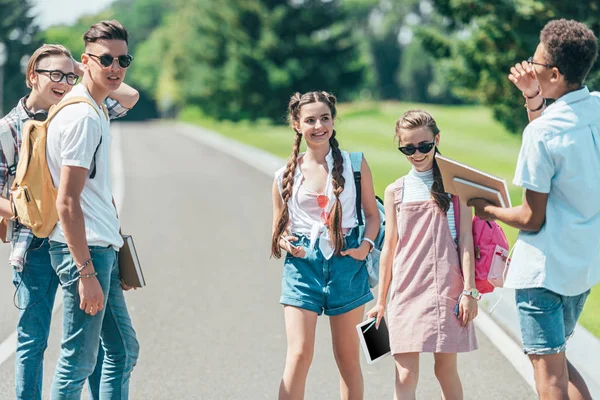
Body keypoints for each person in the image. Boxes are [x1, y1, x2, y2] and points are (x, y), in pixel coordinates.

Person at [0, 42, 138, 400]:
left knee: (91, 344)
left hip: (77, 237)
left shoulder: (78, 109)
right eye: (54, 75)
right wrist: (28, 209)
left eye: (68, 75)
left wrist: (87, 67)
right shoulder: (9, 129)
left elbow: (130, 96)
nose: (63, 81)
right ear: (33, 77)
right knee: (34, 337)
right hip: (32, 245)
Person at [470, 19, 599, 400]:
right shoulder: (595, 109)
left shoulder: (540, 134)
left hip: (542, 273)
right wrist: (533, 98)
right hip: (582, 267)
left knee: (550, 377)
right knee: (557, 365)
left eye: (536, 63)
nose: (529, 66)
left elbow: (531, 217)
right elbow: (558, 130)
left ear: (555, 74)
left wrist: (488, 209)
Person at [45, 20, 139, 399]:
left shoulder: (94, 107)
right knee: (78, 361)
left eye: (123, 59)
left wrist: (116, 254)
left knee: (122, 350)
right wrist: (85, 271)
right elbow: (67, 200)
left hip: (102, 247)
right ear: (85, 61)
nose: (116, 67)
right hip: (85, 253)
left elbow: (94, 195)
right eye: (105, 59)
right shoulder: (83, 116)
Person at [271, 91, 380, 400]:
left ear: (333, 120)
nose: (318, 126)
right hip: (303, 266)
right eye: (310, 120)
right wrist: (284, 241)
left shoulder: (355, 164)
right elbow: (278, 231)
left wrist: (366, 247)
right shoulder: (283, 176)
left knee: (347, 359)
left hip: (348, 262)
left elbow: (372, 215)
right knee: (299, 354)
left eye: (325, 118)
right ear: (296, 124)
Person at [367, 110, 478, 400]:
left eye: (424, 146)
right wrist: (380, 301)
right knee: (404, 374)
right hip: (405, 290)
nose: (417, 154)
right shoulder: (395, 191)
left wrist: (470, 291)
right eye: (408, 148)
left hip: (448, 289)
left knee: (445, 371)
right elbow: (390, 246)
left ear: (437, 139)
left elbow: (466, 240)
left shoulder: (457, 185)